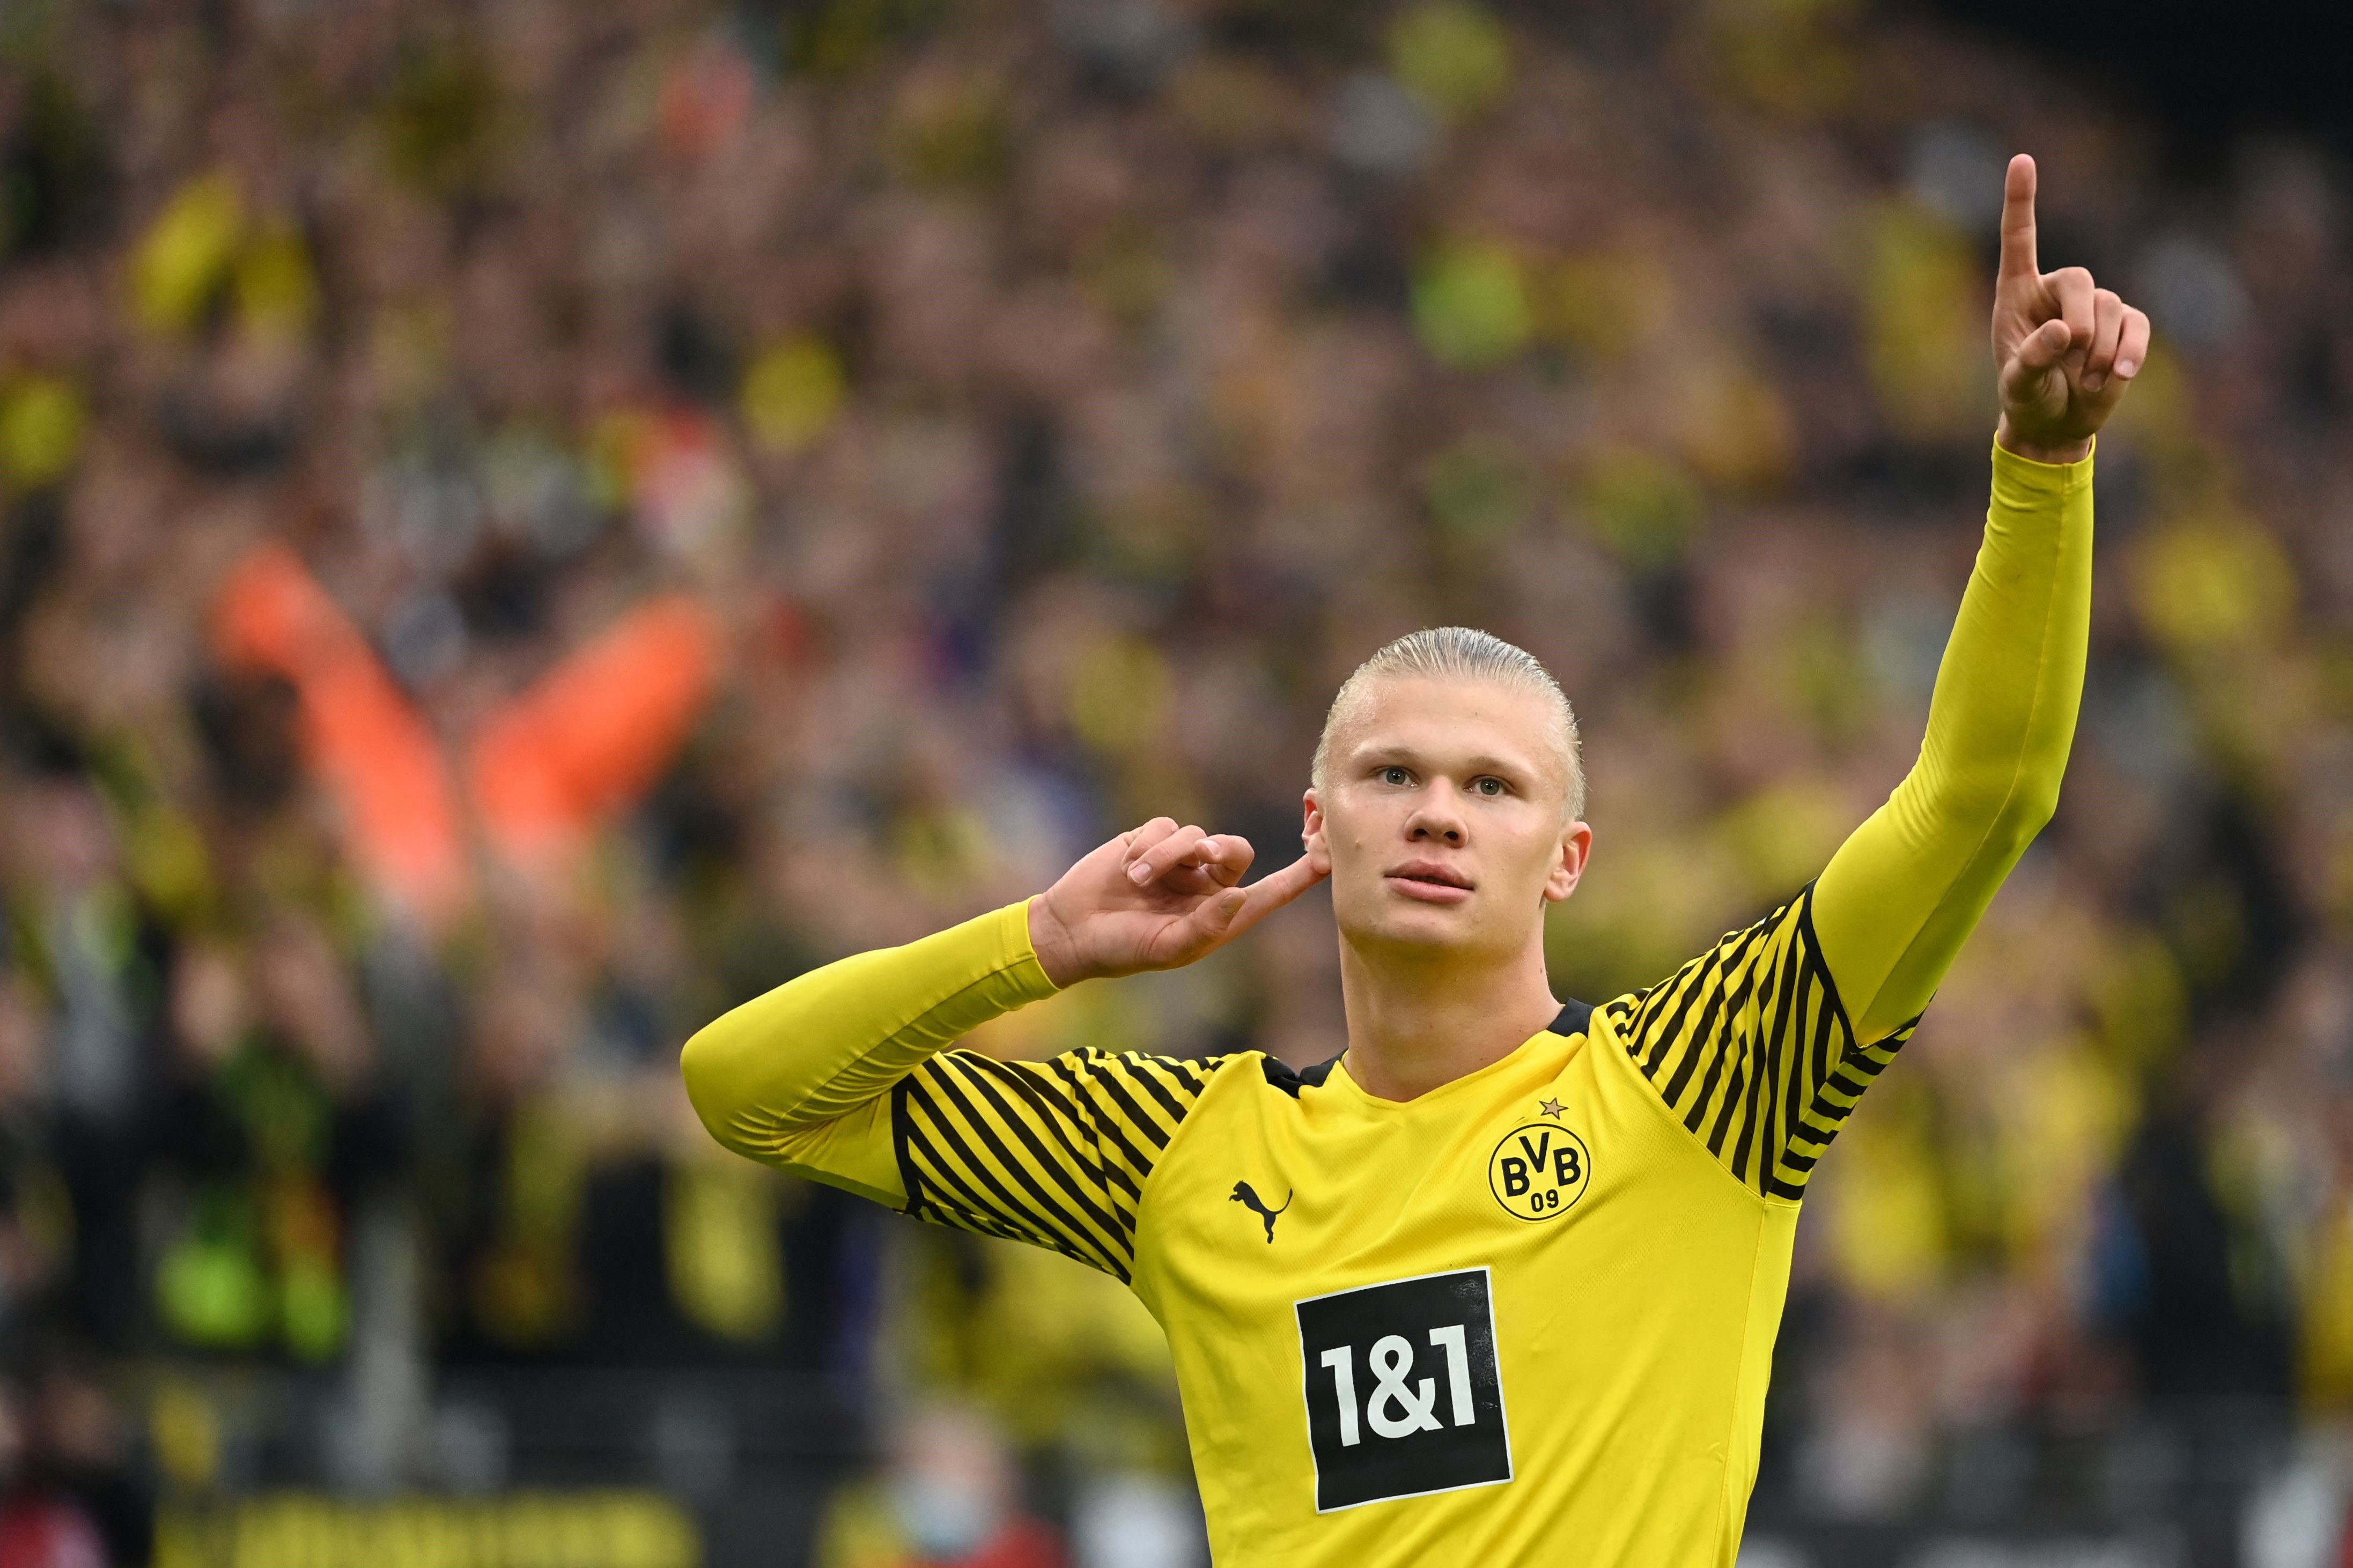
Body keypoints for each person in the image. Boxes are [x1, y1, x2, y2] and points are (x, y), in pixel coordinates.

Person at [682, 156, 2150, 1564]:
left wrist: (2041, 462)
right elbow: (748, 1091)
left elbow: (1981, 797)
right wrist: (1037, 944)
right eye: (1390, 774)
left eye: (1490, 786)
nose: (1436, 810)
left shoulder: (1702, 1085)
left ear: (1565, 856)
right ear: (1318, 824)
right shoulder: (1179, 1151)